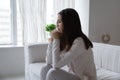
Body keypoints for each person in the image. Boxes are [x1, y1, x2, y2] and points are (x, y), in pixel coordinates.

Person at [40, 8, 97, 80]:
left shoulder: (79, 42)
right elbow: (49, 61)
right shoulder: (67, 40)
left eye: (60, 21)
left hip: (84, 78)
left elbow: (56, 65)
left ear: (68, 23)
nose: (57, 25)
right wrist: (52, 41)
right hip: (74, 76)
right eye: (57, 21)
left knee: (52, 72)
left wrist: (56, 39)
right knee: (45, 68)